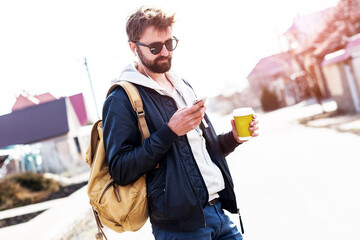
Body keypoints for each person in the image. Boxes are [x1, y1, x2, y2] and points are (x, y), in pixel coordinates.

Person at [102, 6, 259, 240]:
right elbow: (121, 169)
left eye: (169, 43)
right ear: (133, 47)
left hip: (218, 213)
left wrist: (232, 139)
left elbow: (200, 152)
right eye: (155, 47)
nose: (165, 52)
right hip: (180, 229)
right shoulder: (121, 98)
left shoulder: (182, 85)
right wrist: (170, 131)